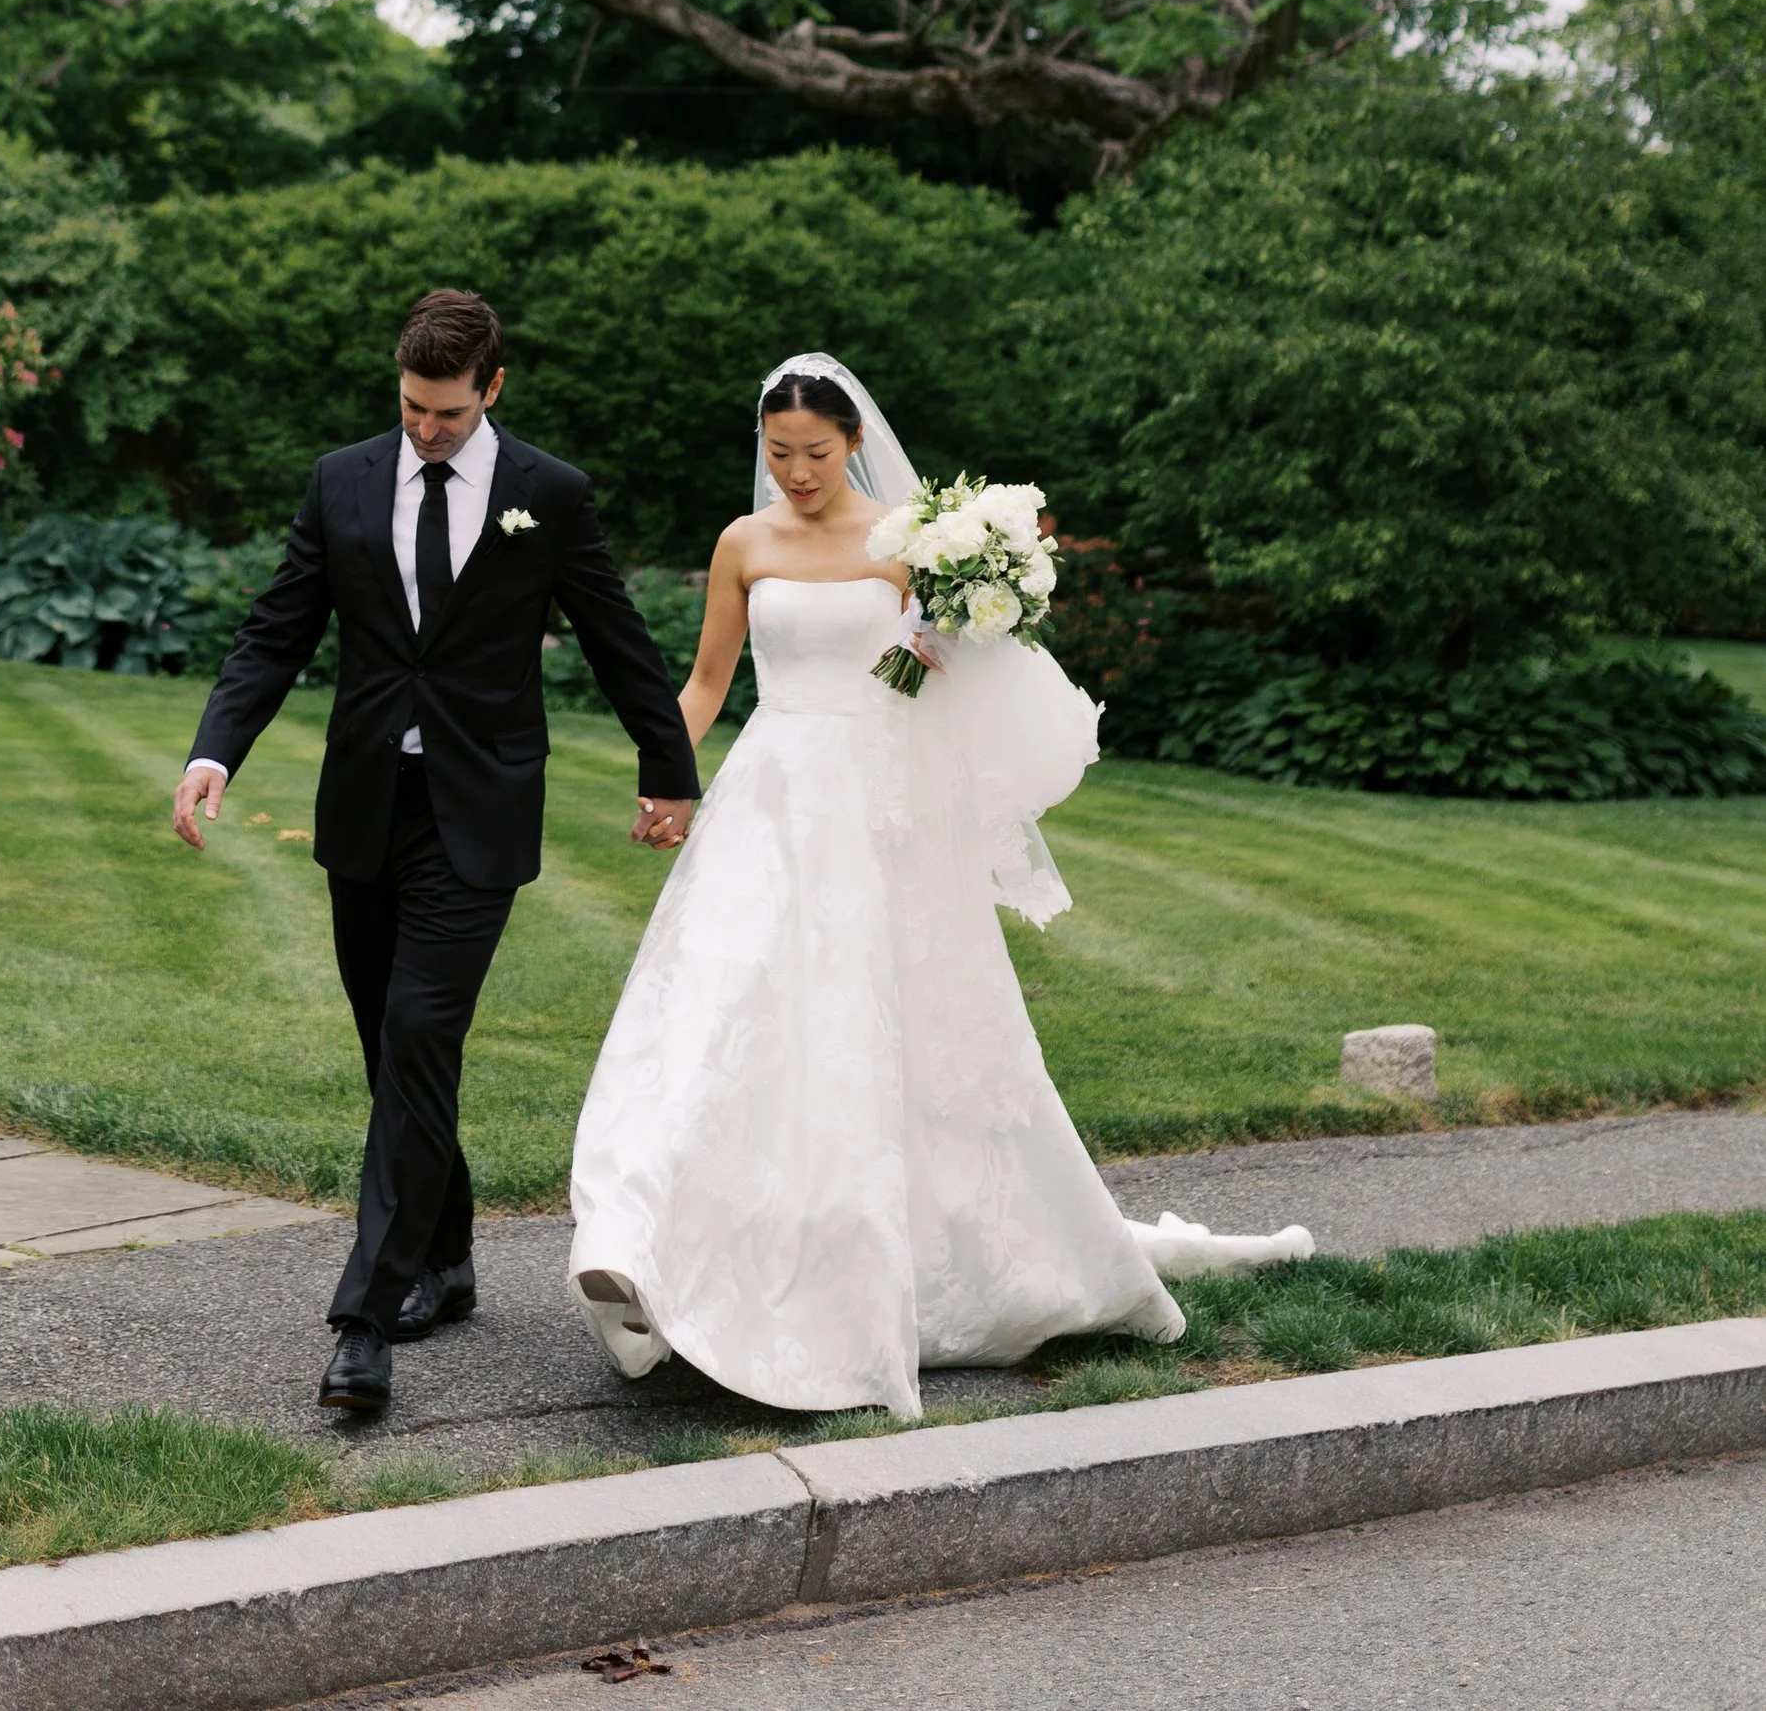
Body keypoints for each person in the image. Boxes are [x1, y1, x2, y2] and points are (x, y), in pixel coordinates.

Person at [566, 351, 1312, 1418]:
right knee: (717, 1011)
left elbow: (925, 676)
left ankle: (883, 1261)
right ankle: (641, 1244)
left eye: (814, 453)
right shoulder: (744, 543)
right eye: (777, 454)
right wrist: (661, 774)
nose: (795, 473)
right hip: (769, 798)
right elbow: (706, 681)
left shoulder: (908, 543)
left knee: (875, 1028)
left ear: (852, 442)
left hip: (875, 802)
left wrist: (925, 650)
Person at [176, 286, 701, 1416]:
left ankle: (366, 1317)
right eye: (413, 409)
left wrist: (669, 768)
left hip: (479, 810)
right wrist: (216, 752)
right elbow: (278, 627)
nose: (426, 430)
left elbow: (616, 637)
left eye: (448, 415)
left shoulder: (545, 496)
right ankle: (450, 1257)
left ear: (493, 389)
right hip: (366, 804)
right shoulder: (342, 480)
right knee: (391, 1049)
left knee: (420, 1032)